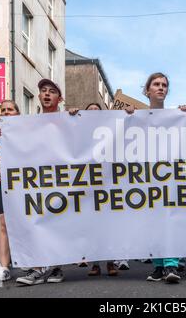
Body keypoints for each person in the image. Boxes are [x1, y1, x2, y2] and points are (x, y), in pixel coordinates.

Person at [129, 72, 186, 284]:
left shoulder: (177, 117)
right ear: (147, 91)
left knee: (170, 218)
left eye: (164, 85)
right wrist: (127, 115)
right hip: (146, 178)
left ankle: (171, 265)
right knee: (152, 221)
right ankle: (157, 266)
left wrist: (185, 114)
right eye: (156, 84)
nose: (161, 87)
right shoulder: (136, 116)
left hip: (170, 178)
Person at [15, 79, 66, 285]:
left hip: (62, 181)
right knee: (38, 222)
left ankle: (56, 268)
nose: (46, 94)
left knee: (59, 223)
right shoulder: (29, 124)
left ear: (59, 98)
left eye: (52, 91)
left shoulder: (67, 121)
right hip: (37, 181)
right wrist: (4, 134)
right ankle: (37, 268)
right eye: (43, 91)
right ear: (38, 96)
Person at [69, 102, 119, 277]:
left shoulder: (110, 132)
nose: (93, 114)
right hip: (88, 185)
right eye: (89, 111)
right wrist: (70, 115)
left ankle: (111, 262)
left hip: (108, 184)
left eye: (97, 111)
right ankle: (95, 264)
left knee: (108, 226)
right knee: (92, 226)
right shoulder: (81, 133)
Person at [0, 100, 21, 283]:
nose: (6, 112)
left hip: (26, 183)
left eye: (10, 109)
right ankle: (4, 267)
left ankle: (35, 263)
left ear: (18, 113)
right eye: (3, 110)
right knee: (3, 223)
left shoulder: (30, 130)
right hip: (5, 183)